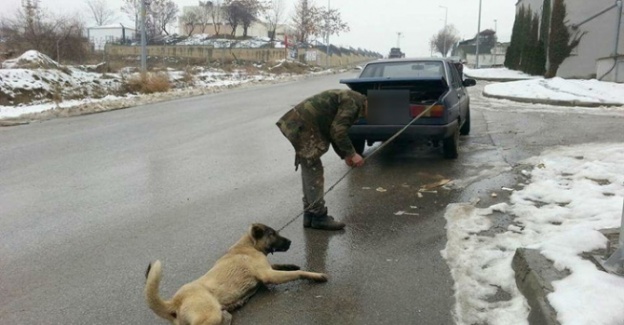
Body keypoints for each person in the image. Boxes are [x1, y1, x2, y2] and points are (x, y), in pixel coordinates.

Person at [276, 89, 367, 231]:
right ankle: (318, 217)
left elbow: (333, 131)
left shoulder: (354, 99)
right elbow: (338, 131)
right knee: (314, 170)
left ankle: (310, 215)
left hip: (299, 123)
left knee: (310, 167)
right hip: (302, 126)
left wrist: (346, 155)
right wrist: (352, 154)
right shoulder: (353, 103)